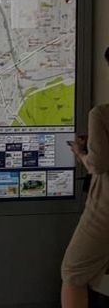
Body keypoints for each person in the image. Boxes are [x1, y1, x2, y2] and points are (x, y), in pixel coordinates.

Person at [62, 46, 109, 307]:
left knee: (73, 273)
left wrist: (81, 152)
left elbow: (98, 165)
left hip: (104, 211)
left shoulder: (101, 114)